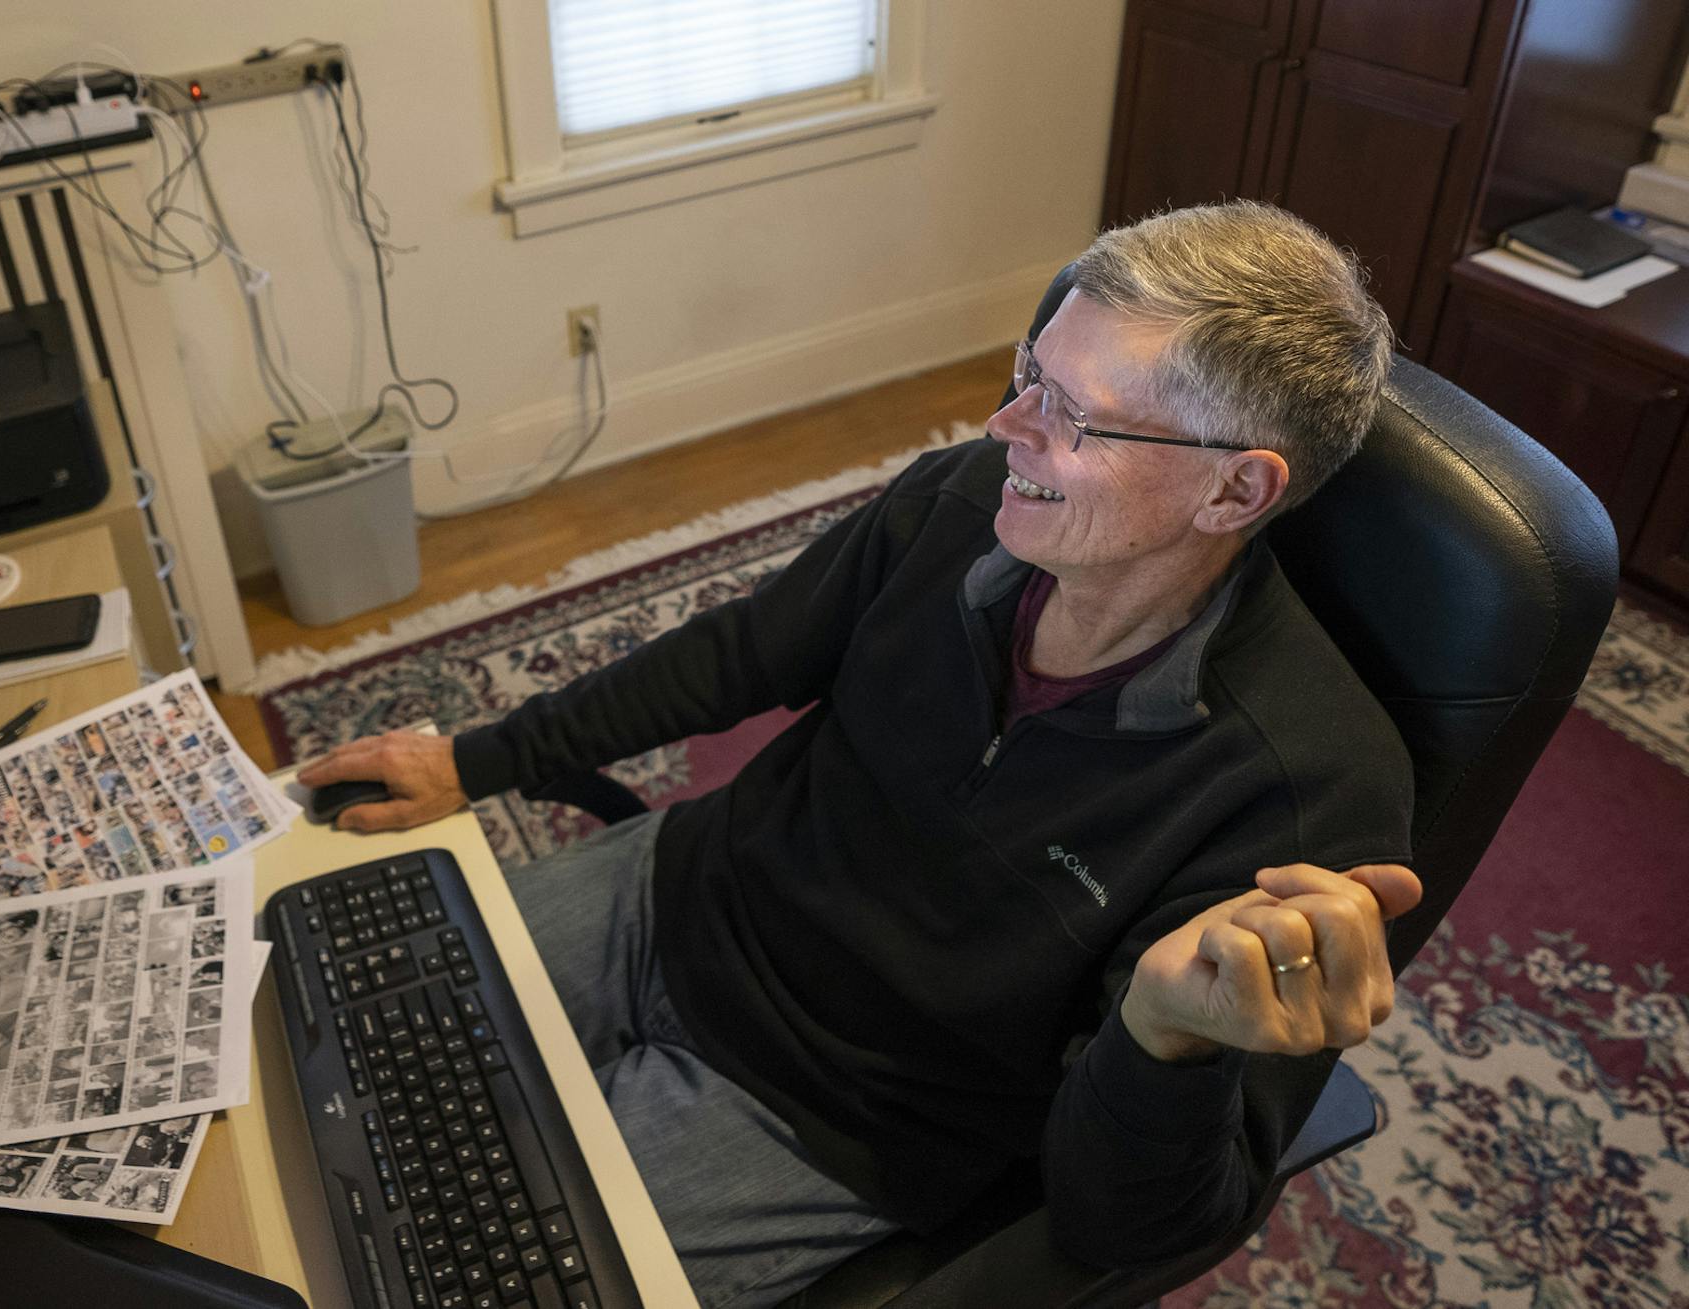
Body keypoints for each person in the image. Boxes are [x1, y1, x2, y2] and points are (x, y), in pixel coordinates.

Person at [300, 200, 1421, 1308]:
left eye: (1074, 413)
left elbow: (1126, 1223)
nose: (1006, 428)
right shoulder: (963, 504)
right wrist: (477, 759)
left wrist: (1161, 1040)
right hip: (683, 890)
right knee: (313, 1041)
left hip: (826, 1117)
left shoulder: (1305, 794)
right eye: (1028, 371)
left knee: (433, 1269)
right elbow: (743, 650)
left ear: (1237, 488)